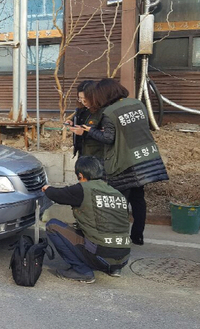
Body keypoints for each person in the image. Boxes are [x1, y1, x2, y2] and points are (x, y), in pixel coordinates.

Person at [77, 78, 169, 245]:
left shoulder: (110, 112)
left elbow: (108, 138)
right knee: (138, 198)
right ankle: (137, 236)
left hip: (124, 161)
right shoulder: (138, 104)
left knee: (120, 201)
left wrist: (89, 131)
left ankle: (118, 238)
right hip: (144, 158)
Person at [42, 156, 131, 284]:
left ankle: (81, 270)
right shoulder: (117, 194)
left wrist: (47, 189)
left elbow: (57, 194)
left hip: (100, 255)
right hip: (124, 257)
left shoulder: (83, 189)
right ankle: (114, 269)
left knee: (52, 226)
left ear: (81, 175)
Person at [67, 80, 103, 159]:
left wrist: (84, 133)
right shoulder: (81, 109)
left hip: (97, 155)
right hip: (82, 151)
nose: (83, 102)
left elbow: (107, 136)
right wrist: (72, 122)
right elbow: (80, 123)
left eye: (85, 99)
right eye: (80, 98)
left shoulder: (102, 111)